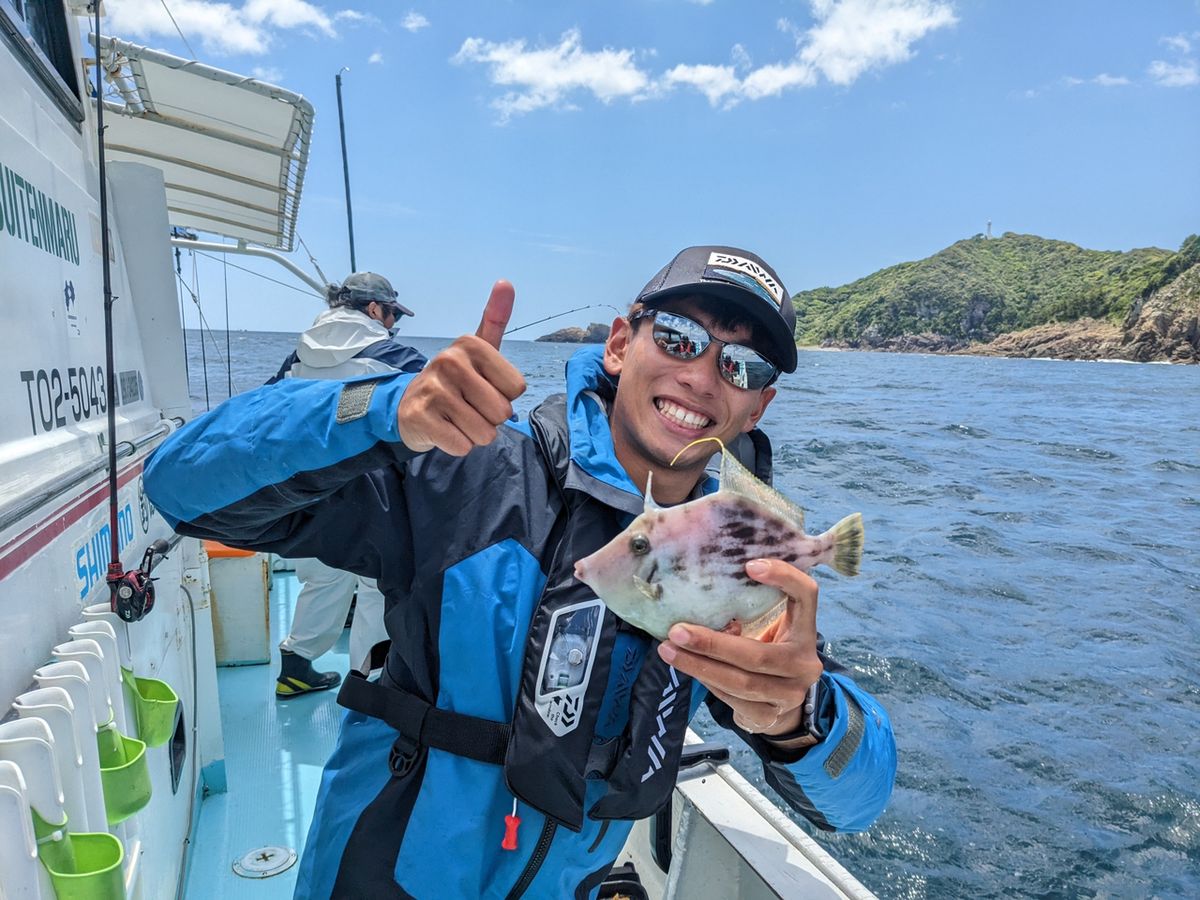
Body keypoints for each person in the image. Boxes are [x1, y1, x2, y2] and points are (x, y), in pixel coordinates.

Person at [144, 246, 896, 898]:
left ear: (757, 406)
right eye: (679, 336)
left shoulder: (737, 551)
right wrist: (385, 410)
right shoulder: (466, 464)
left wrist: (798, 718)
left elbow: (857, 803)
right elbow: (179, 486)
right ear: (619, 344)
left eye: (740, 364)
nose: (702, 376)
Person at [271, 272, 427, 697]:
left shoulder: (296, 358)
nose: (393, 322)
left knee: (322, 578)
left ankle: (295, 666)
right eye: (392, 313)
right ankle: (368, 684)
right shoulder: (395, 355)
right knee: (377, 589)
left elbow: (270, 409)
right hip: (369, 495)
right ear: (375, 309)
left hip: (305, 493)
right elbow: (443, 404)